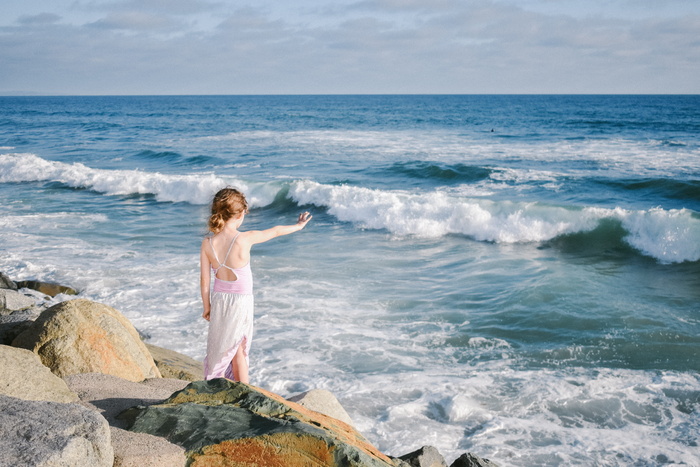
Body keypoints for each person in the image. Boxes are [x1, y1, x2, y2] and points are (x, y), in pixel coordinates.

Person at [200, 187, 312, 383]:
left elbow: (204, 281)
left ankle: (220, 385)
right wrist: (299, 226)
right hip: (240, 302)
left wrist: (207, 307)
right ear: (241, 213)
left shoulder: (208, 243)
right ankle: (244, 392)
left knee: (225, 346)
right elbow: (276, 231)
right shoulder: (244, 238)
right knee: (240, 348)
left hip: (219, 300)